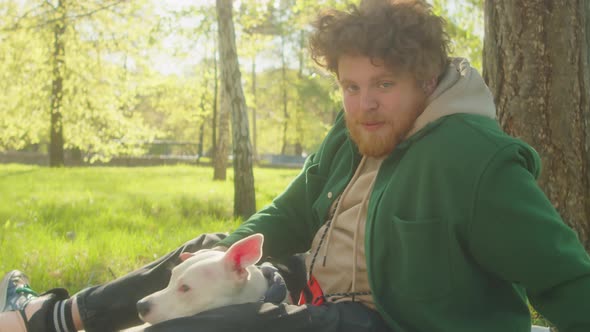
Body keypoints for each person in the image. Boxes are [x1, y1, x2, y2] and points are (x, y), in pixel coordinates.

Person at [2, 0, 590, 331]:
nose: (364, 103)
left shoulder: (475, 162)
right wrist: (225, 253)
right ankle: (48, 319)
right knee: (204, 253)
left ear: (427, 79)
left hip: (379, 322)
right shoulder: (354, 127)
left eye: (384, 84)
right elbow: (288, 211)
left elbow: (566, 276)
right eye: (351, 85)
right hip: (305, 286)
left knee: (197, 330)